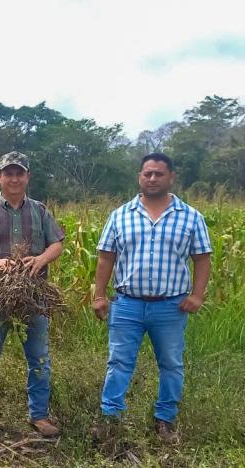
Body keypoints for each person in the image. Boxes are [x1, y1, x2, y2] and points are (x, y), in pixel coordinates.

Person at [92, 152, 212, 444]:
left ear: (171, 177)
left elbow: (202, 258)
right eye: (148, 173)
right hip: (127, 304)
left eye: (159, 173)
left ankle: (165, 419)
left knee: (171, 363)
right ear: (140, 177)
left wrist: (197, 295)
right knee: (119, 362)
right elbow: (106, 258)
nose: (153, 178)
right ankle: (111, 418)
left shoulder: (191, 216)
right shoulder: (120, 214)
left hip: (171, 306)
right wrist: (99, 295)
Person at [0, 151, 64, 437]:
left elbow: (57, 243)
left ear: (27, 177)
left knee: (39, 358)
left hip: (34, 296)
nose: (14, 178)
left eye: (19, 173)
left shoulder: (40, 210)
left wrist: (41, 259)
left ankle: (39, 415)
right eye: (8, 173)